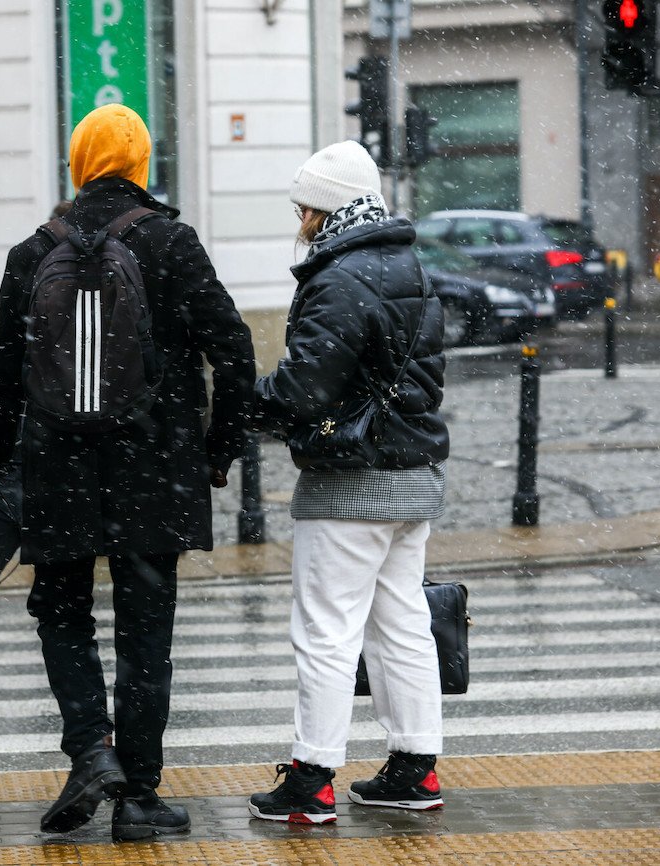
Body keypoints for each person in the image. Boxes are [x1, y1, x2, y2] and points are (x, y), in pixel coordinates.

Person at [0, 104, 255, 841]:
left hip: (57, 467)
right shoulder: (171, 241)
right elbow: (234, 351)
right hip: (154, 465)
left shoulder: (32, 254)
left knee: (61, 614)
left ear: (77, 164)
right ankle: (139, 796)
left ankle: (89, 749)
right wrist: (215, 452)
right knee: (145, 629)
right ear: (141, 163)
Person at [245, 141, 449, 824]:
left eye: (305, 205)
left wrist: (245, 404)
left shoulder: (339, 278)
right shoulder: (408, 266)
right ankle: (415, 768)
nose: (299, 217)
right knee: (402, 627)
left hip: (349, 485)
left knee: (327, 632)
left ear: (328, 208)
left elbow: (307, 386)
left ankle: (311, 779)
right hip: (411, 477)